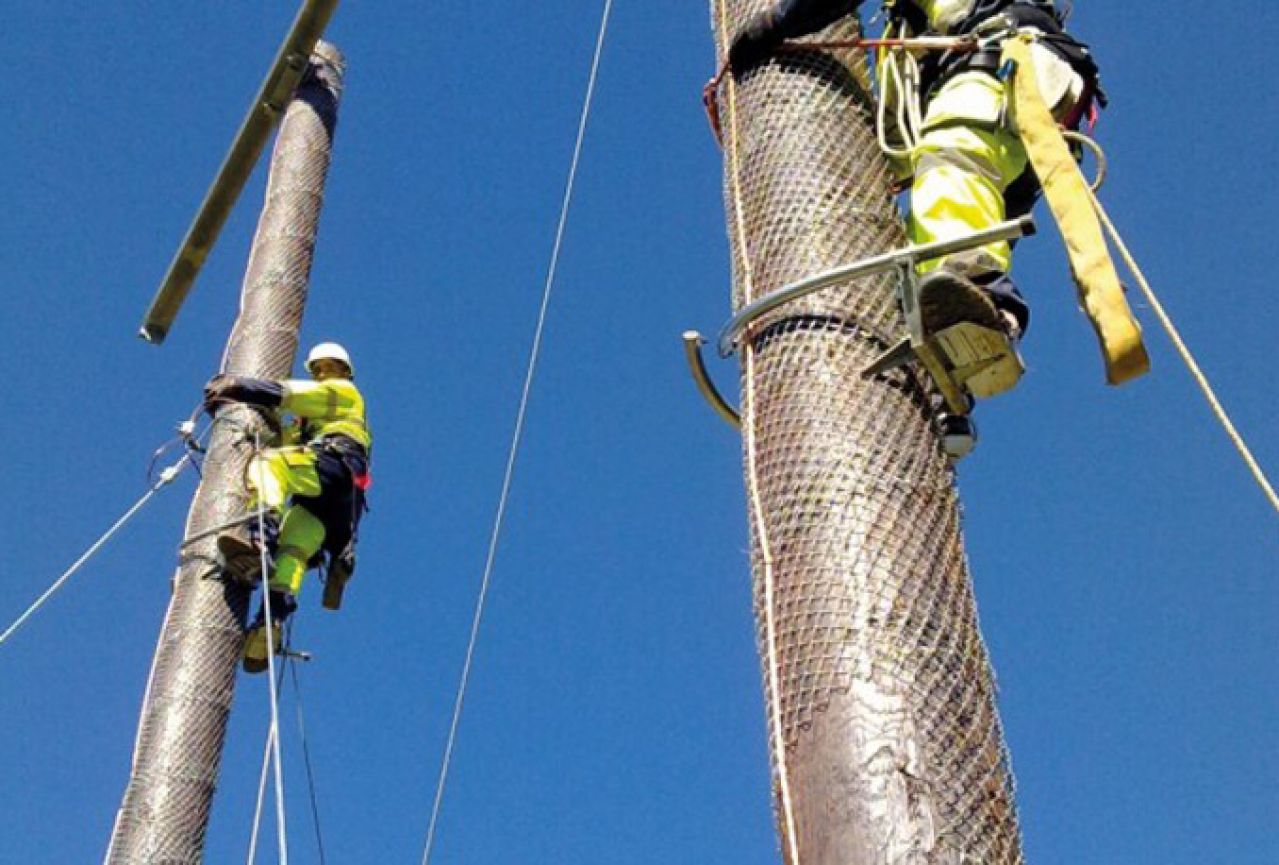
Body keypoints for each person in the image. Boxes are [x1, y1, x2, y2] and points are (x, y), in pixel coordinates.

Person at [729, 0, 1103, 399]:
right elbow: (897, 130)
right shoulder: (909, 29)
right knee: (930, 244)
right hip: (1022, 107)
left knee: (951, 161)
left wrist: (775, 24)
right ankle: (947, 380)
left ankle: (984, 295)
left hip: (1001, 65)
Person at [203, 342, 372, 673]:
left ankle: (258, 536)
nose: (325, 373)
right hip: (337, 506)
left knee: (268, 466)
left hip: (333, 467)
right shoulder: (310, 424)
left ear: (342, 372)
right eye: (321, 368)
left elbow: (287, 393)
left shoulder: (343, 393)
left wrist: (238, 386)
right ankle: (271, 622)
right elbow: (286, 435)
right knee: (293, 550)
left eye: (329, 367)